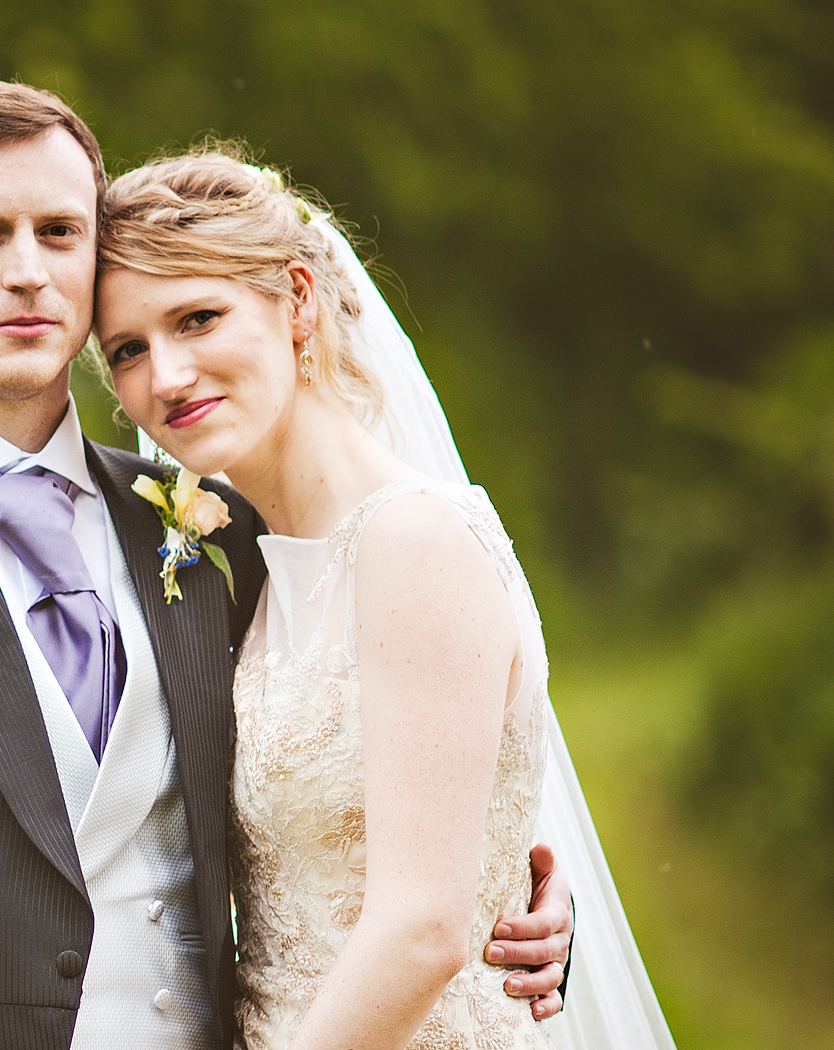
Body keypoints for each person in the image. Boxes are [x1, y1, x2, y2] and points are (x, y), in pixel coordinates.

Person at [0, 80, 570, 1050]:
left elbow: (352, 805)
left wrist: (508, 898)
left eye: (59, 232)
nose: (27, 271)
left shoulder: (212, 529)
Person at [94, 148, 676, 1049]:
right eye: (127, 349)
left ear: (296, 299)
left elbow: (422, 929)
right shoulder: (249, 560)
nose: (163, 377)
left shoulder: (412, 542)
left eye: (197, 317)